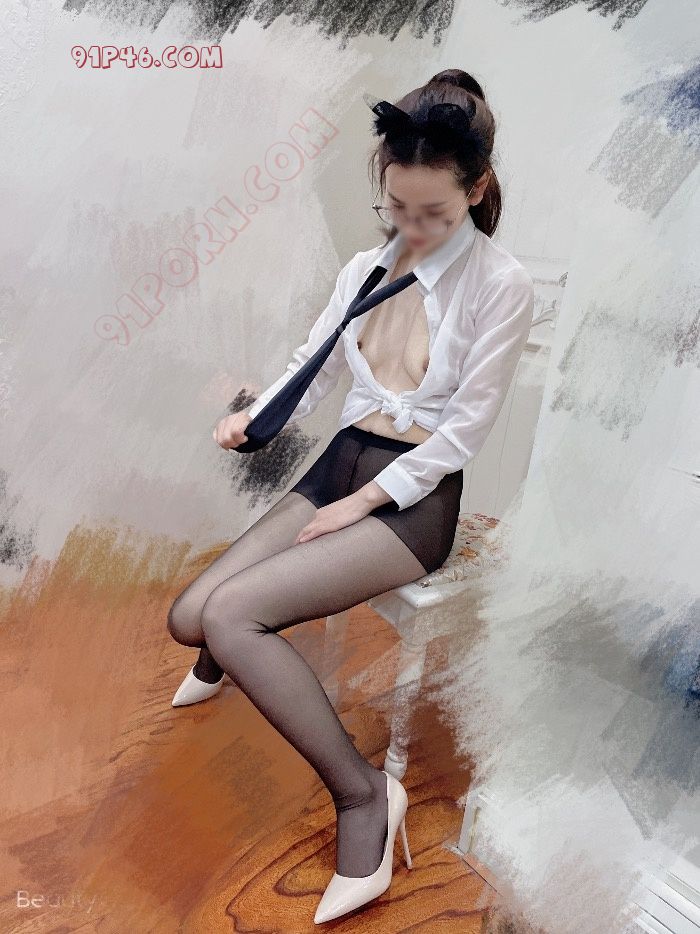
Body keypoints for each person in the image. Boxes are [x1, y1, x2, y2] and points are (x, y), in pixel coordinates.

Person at [166, 68, 535, 924]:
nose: (412, 229)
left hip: (413, 498)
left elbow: (462, 434)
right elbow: (316, 365)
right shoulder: (367, 268)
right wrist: (252, 417)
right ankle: (231, 647)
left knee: (231, 616)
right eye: (396, 207)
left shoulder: (500, 285)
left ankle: (367, 796)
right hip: (342, 461)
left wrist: (358, 508)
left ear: (477, 189)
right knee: (189, 619)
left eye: (434, 213)